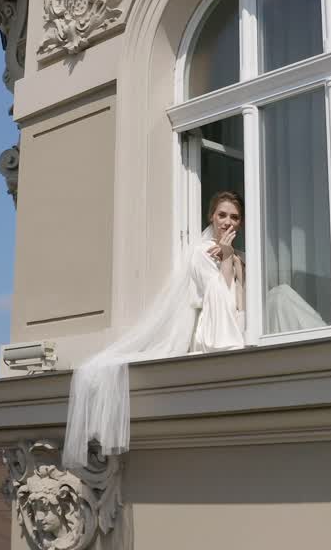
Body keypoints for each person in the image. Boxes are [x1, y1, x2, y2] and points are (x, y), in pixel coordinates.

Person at [61, 192, 247, 469]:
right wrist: (227, 257)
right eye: (222, 215)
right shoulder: (201, 251)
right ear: (211, 216)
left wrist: (232, 257)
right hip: (210, 331)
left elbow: (238, 301)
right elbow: (220, 298)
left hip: (234, 323)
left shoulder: (239, 255)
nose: (227, 222)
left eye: (234, 217)